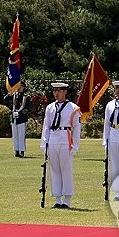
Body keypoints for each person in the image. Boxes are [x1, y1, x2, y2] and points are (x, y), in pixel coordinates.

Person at [40, 81, 82, 209]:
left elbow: (76, 128)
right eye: (55, 91)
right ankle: (57, 199)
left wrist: (75, 146)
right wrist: (45, 143)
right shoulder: (50, 108)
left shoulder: (73, 108)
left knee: (66, 170)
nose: (56, 93)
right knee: (55, 170)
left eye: (59, 91)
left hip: (65, 138)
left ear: (65, 92)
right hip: (53, 138)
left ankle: (67, 200)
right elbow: (46, 126)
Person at [8, 86, 30, 158]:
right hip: (14, 118)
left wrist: (19, 113)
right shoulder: (14, 95)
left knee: (21, 135)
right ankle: (16, 150)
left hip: (21, 119)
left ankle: (22, 151)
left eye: (21, 87)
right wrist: (10, 93)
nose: (19, 88)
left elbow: (27, 108)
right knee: (15, 136)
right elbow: (5, 99)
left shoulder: (26, 97)